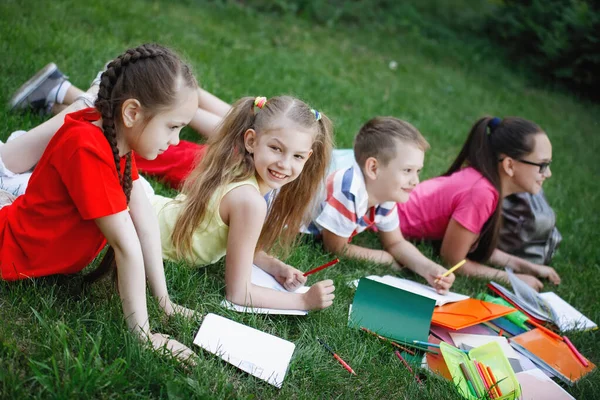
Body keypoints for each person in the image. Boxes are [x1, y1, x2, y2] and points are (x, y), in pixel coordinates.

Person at [0, 44, 199, 362]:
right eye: (172, 127)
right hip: (12, 250)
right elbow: (126, 245)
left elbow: (144, 221)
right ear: (132, 113)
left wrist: (164, 301)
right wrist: (144, 336)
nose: (175, 141)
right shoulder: (88, 148)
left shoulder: (117, 137)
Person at [145, 96, 336, 311]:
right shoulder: (250, 201)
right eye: (276, 148)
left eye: (298, 156)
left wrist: (272, 265)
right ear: (251, 141)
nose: (285, 164)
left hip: (152, 213)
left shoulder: (239, 168)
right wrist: (303, 301)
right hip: (147, 233)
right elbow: (238, 293)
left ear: (308, 157)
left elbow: (237, 241)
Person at [396, 116, 561, 290]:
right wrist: (512, 279)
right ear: (509, 165)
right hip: (385, 222)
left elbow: (473, 246)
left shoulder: (485, 183)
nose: (548, 173)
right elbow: (453, 260)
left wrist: (526, 267)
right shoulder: (481, 193)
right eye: (542, 165)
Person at [8, 62, 230, 189]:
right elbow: (233, 125)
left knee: (114, 131)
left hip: (202, 163)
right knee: (117, 132)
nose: (176, 137)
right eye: (174, 127)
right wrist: (176, 87)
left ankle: (61, 97)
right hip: (199, 162)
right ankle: (80, 96)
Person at [305, 117, 455, 294]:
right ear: (373, 168)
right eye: (407, 170)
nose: (415, 181)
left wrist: (429, 268)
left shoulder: (386, 194)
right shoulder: (349, 191)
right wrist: (382, 258)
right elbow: (335, 248)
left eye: (418, 171)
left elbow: (396, 242)